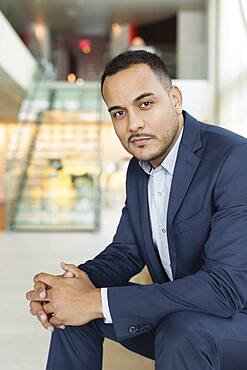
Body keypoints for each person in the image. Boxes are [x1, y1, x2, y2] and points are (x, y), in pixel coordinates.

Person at [26, 50, 247, 370]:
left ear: (174, 98)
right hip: (181, 313)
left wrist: (97, 301)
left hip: (234, 318)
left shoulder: (234, 159)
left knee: (180, 332)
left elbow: (225, 288)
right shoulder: (138, 169)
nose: (134, 124)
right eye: (118, 112)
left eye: (145, 104)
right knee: (72, 316)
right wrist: (70, 286)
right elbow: (126, 252)